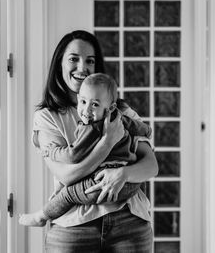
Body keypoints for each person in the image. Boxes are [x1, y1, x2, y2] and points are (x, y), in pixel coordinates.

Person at [26, 30, 158, 252]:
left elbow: (151, 166)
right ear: (59, 63)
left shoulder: (120, 111)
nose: (82, 67)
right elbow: (67, 176)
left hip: (129, 219)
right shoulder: (48, 116)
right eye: (74, 59)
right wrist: (107, 143)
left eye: (90, 60)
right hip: (72, 226)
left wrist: (123, 174)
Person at [18, 73, 152, 227]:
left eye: (94, 104)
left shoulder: (91, 128)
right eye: (82, 102)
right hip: (130, 185)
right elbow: (139, 127)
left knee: (67, 194)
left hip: (103, 184)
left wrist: (51, 151)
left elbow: (73, 155)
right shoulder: (119, 117)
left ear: (111, 107)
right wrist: (147, 130)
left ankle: (41, 217)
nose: (86, 110)